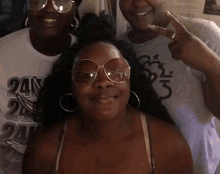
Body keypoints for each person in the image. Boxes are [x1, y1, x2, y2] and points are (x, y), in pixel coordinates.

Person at [22, 26, 194, 174]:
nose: (103, 82)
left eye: (116, 72)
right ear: (71, 85)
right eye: (86, 74)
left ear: (130, 80)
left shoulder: (169, 146)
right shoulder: (45, 150)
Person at [118, 0, 220, 174]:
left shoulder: (202, 34)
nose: (138, 2)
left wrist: (211, 65)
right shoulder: (118, 48)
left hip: (195, 167)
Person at [0, 0, 83, 174]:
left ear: (74, 9)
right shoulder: (2, 51)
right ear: (27, 6)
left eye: (62, 1)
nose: (49, 8)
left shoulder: (86, 55)